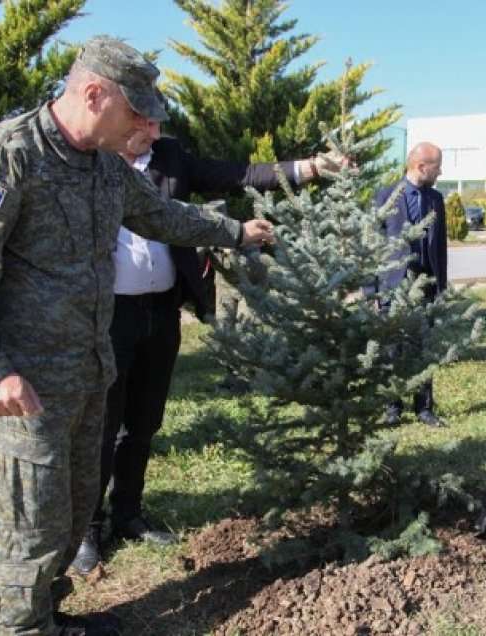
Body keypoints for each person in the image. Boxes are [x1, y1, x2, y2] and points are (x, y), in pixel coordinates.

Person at [0, 36, 274, 635]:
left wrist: (235, 232)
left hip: (89, 373)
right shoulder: (7, 155)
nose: (149, 127)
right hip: (23, 386)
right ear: (94, 95)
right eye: (139, 113)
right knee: (29, 525)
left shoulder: (108, 168)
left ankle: (48, 616)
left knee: (76, 507)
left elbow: (166, 216)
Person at [69, 117, 344, 576]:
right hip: (106, 315)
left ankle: (128, 514)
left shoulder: (171, 157)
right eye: (146, 124)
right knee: (101, 423)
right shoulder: (89, 160)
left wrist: (311, 168)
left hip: (161, 311)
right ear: (123, 117)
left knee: (144, 420)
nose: (155, 134)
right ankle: (87, 529)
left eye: (158, 125)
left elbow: (236, 173)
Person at [374, 142, 448, 428]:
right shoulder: (386, 196)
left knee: (423, 348)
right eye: (437, 166)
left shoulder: (436, 199)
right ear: (421, 166)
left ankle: (424, 408)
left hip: (425, 285)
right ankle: (392, 407)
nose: (440, 171)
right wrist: (372, 292)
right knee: (391, 349)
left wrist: (440, 287)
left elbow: (440, 247)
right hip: (393, 287)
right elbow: (373, 247)